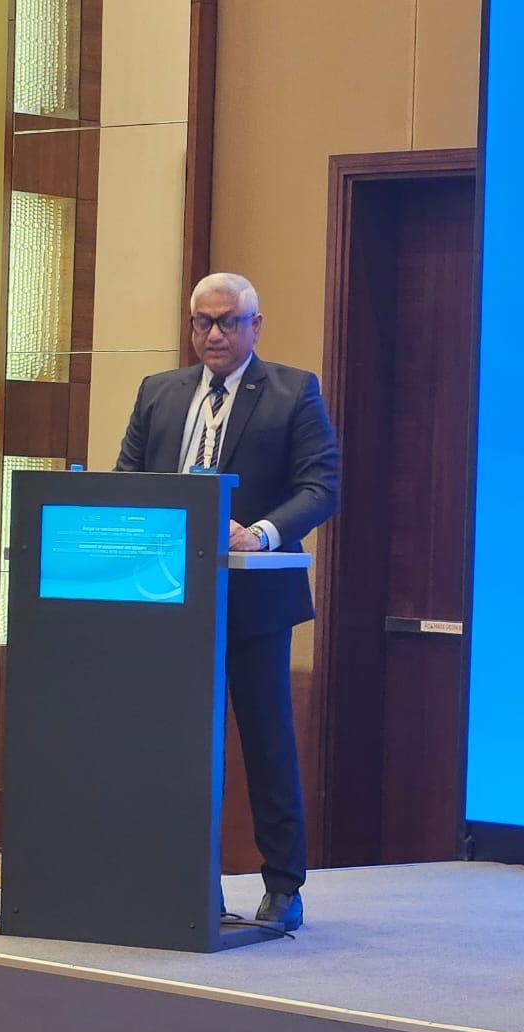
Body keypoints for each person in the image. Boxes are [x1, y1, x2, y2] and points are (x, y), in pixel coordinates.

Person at [115, 272, 339, 931]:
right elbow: (129, 481)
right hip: (172, 602)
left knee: (267, 743)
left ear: (254, 326)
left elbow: (321, 486)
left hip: (256, 602)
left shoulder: (293, 391)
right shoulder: (158, 392)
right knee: (182, 747)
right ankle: (190, 883)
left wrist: (261, 533)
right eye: (202, 322)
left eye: (228, 322)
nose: (213, 334)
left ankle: (284, 885)